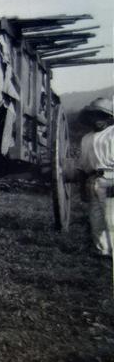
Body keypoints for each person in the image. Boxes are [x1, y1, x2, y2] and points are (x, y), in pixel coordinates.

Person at [78, 97, 114, 257]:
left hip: (110, 177)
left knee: (111, 218)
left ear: (108, 118)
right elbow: (83, 166)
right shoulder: (86, 139)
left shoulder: (112, 134)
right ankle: (102, 251)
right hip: (92, 180)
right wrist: (82, 187)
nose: (98, 119)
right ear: (90, 118)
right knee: (96, 220)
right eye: (94, 115)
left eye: (102, 115)